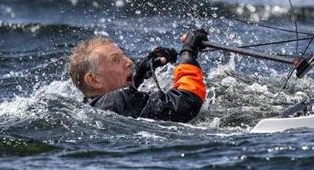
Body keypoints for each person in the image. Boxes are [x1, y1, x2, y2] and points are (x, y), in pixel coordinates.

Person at [68, 28, 209, 122]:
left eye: (124, 56)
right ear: (93, 79)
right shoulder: (121, 99)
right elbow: (186, 104)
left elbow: (132, 105)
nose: (129, 62)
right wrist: (188, 54)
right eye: (115, 60)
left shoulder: (92, 105)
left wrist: (141, 73)